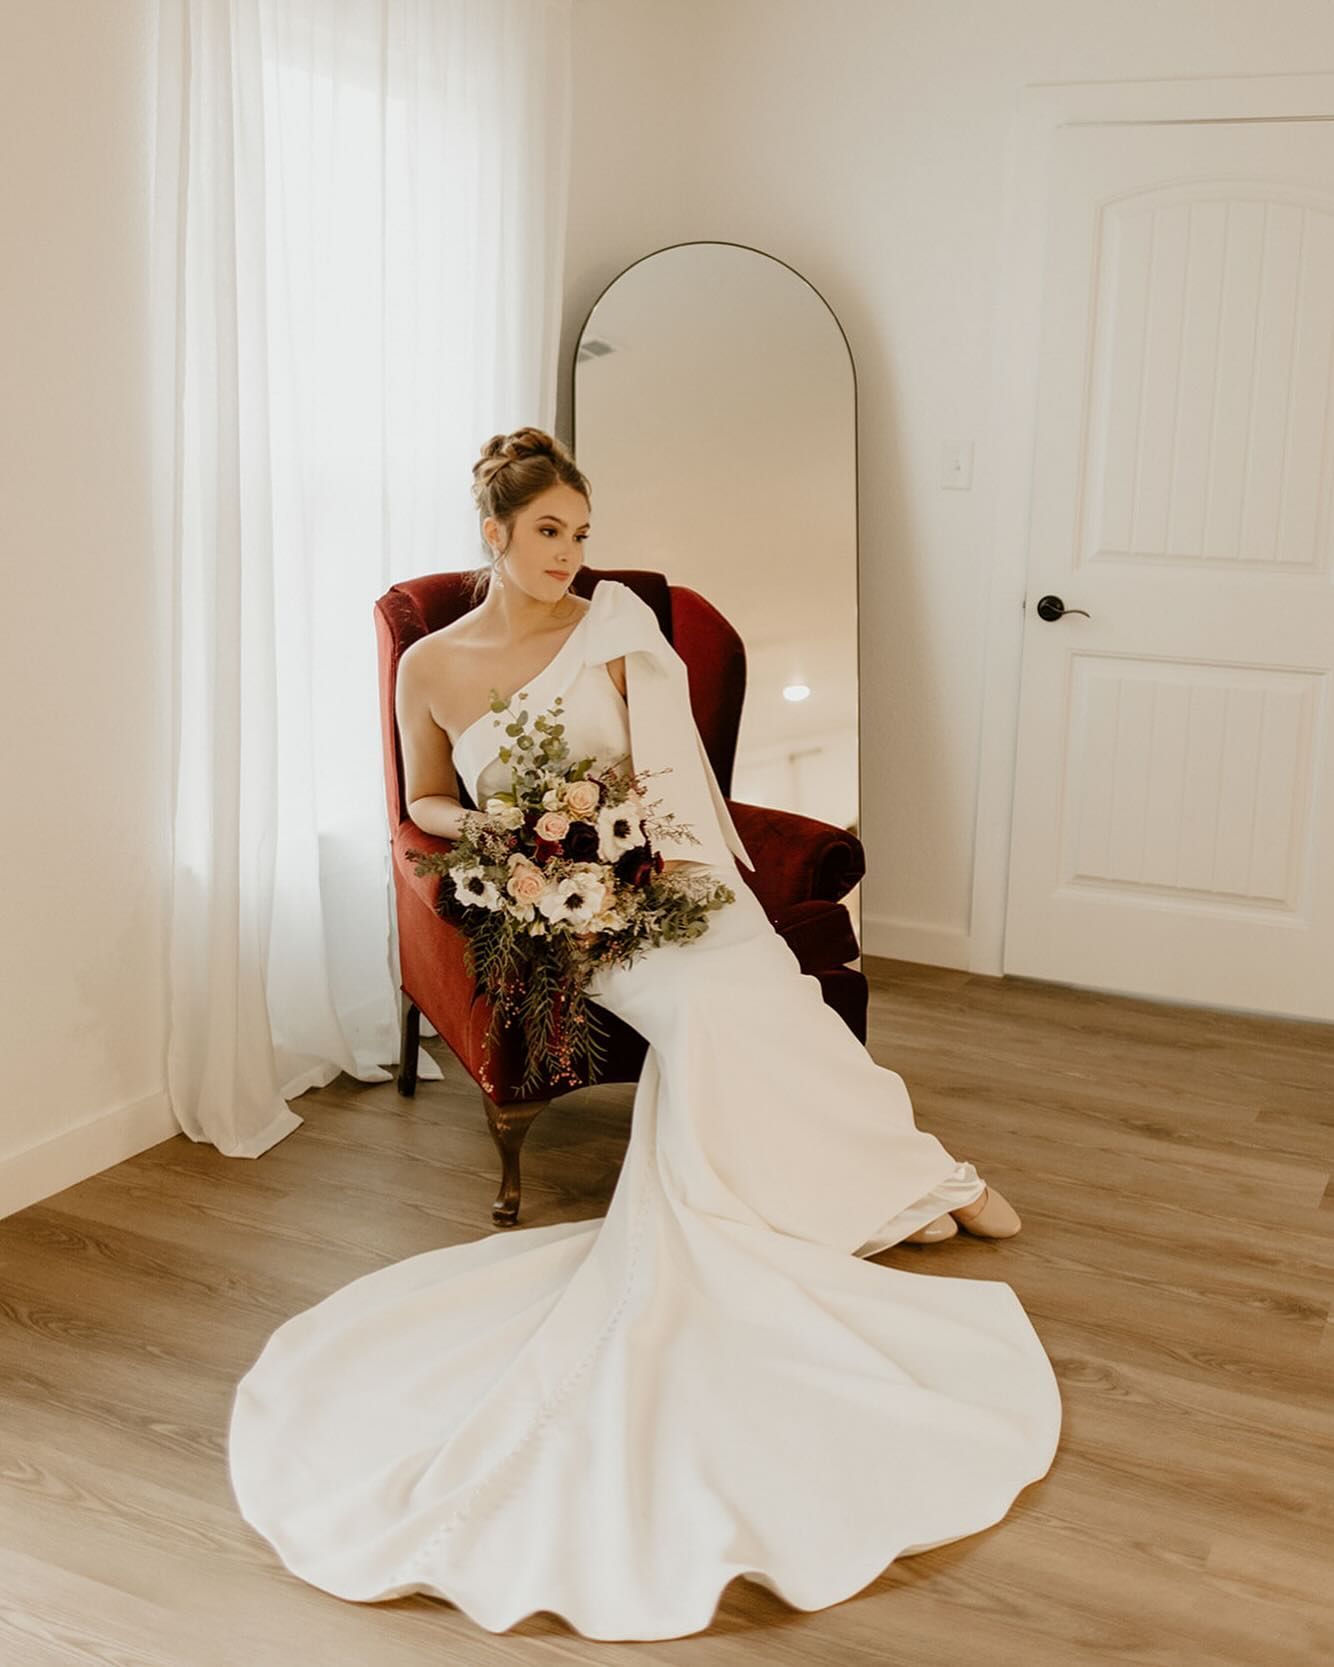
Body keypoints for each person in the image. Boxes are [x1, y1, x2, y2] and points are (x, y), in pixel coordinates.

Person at [228, 427, 1062, 1642]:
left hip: (665, 876)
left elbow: (674, 784)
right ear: (494, 534)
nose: (568, 553)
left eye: (580, 531)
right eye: (546, 531)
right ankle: (909, 1181)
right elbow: (419, 797)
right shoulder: (429, 664)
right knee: (707, 1009)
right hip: (562, 907)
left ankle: (897, 1176)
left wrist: (638, 852)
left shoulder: (615, 627)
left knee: (755, 987)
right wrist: (513, 835)